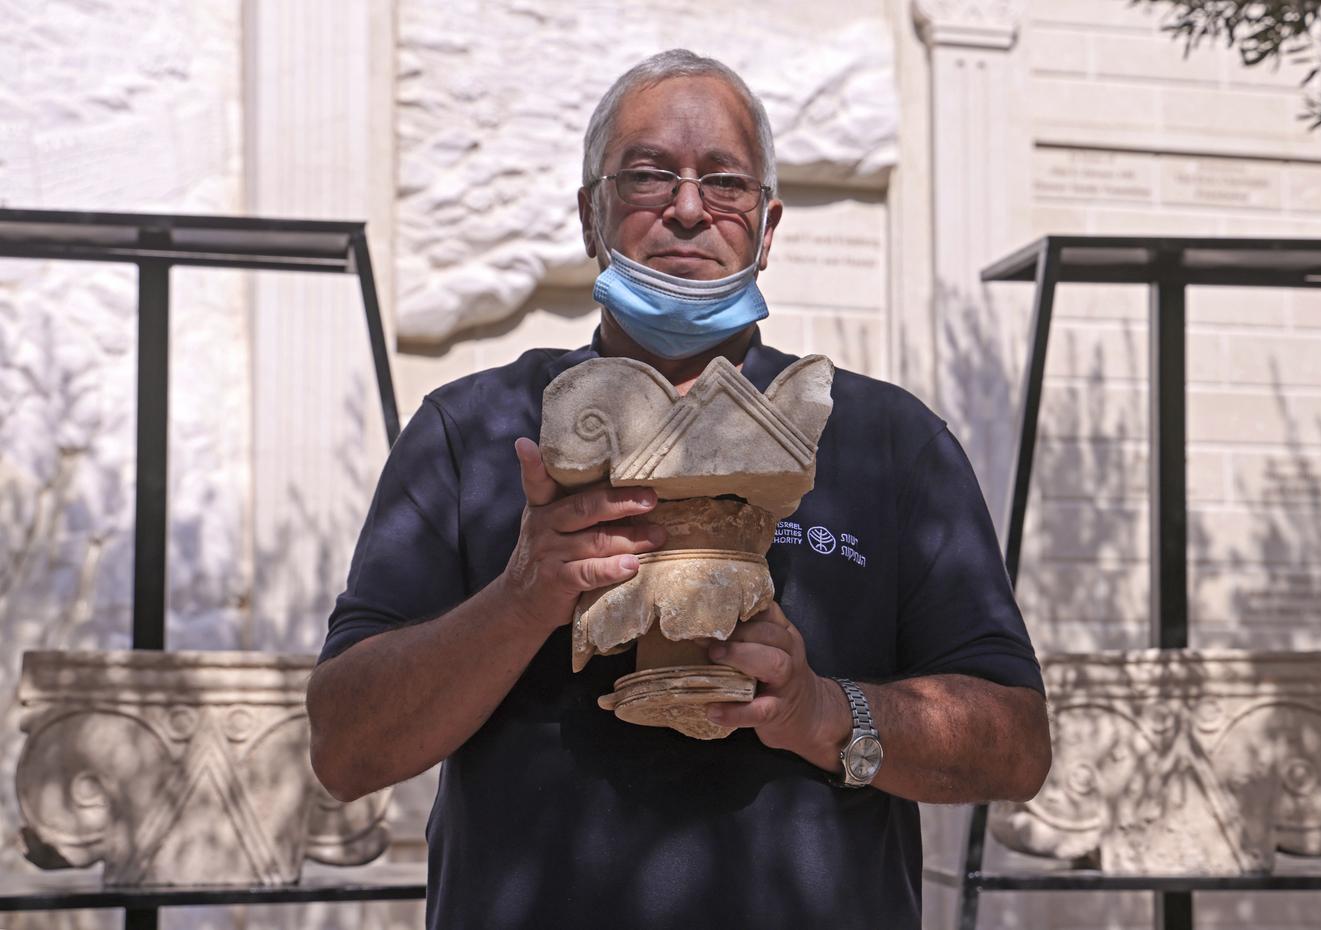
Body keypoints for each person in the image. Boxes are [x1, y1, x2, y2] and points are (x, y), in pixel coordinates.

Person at [307, 49, 1051, 930]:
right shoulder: (472, 433)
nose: (689, 209)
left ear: (767, 228)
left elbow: (1015, 748)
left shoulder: (889, 443)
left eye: (725, 183)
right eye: (650, 175)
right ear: (593, 215)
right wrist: (521, 598)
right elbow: (345, 749)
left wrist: (825, 711)